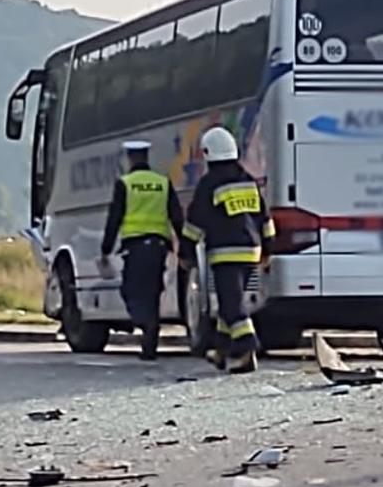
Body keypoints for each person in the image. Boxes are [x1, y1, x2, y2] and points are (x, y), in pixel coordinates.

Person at [181, 127, 273, 374]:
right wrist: (268, 249)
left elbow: (194, 223)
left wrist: (185, 253)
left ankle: (247, 349)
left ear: (208, 154)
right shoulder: (248, 181)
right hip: (251, 251)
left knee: (233, 308)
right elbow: (265, 218)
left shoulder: (210, 183)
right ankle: (220, 351)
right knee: (228, 303)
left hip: (226, 254)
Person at [100, 140, 184, 361]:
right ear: (146, 157)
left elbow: (114, 218)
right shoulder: (162, 183)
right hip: (158, 248)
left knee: (131, 290)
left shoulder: (125, 184)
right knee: (153, 292)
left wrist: (105, 249)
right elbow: (176, 216)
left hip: (135, 249)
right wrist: (184, 245)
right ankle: (150, 344)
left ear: (130, 158)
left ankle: (143, 322)